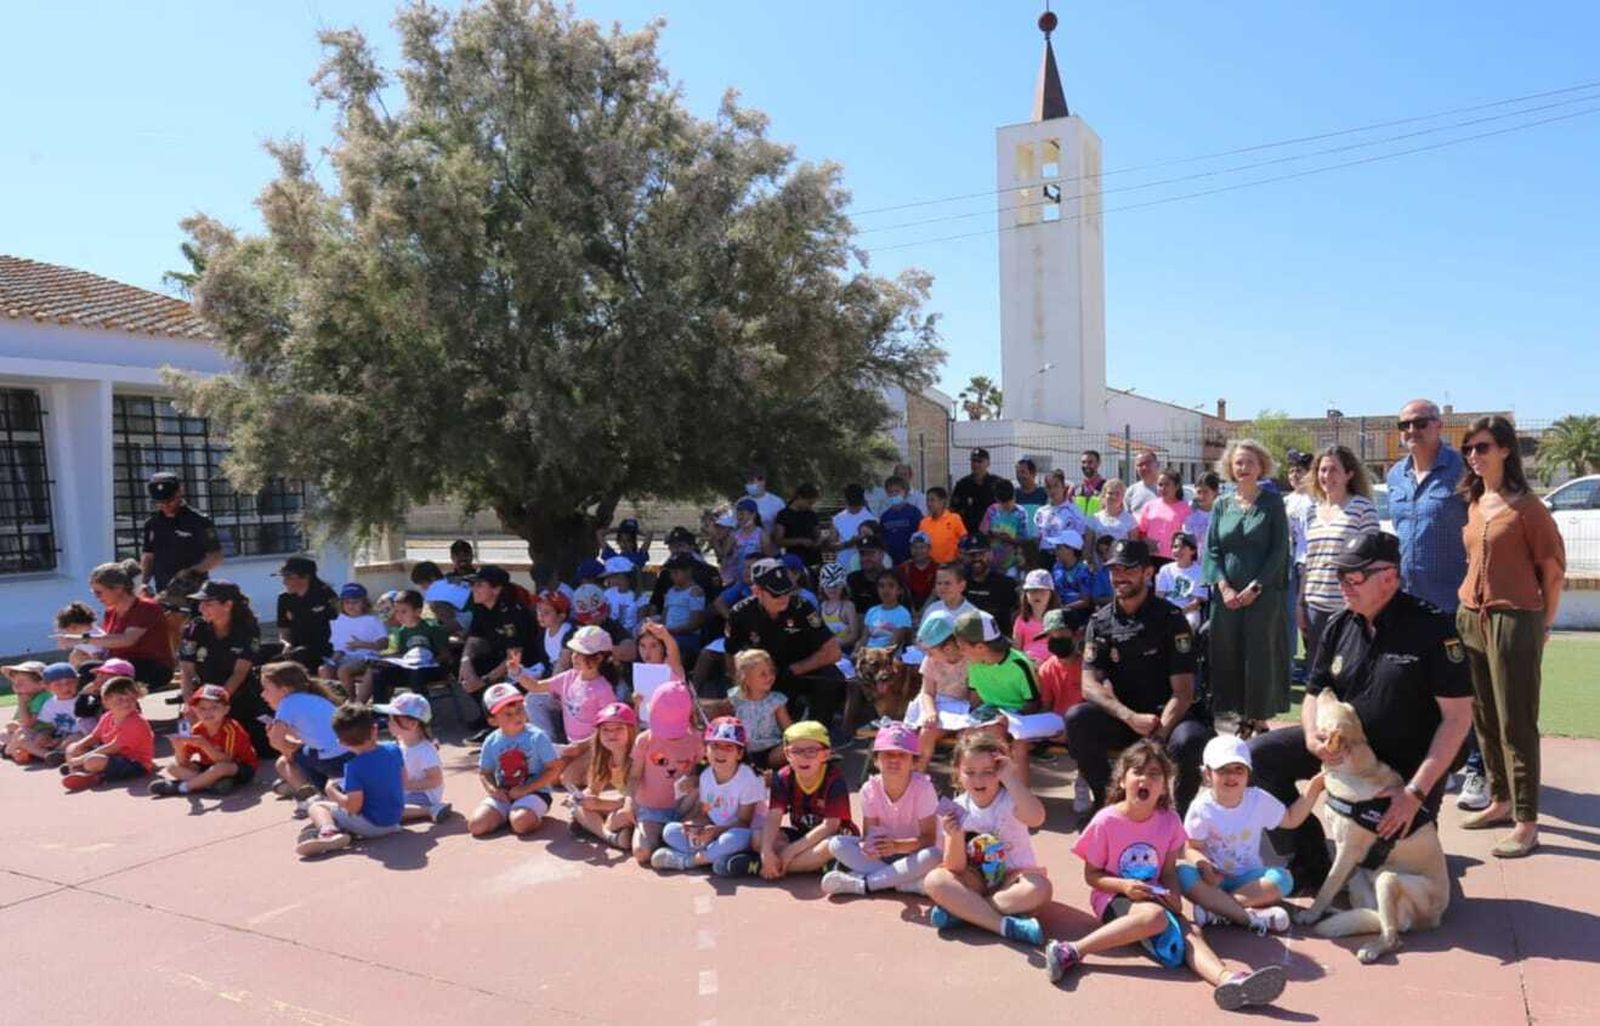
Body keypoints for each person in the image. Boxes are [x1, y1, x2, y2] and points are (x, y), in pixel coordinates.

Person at [1247, 531, 1475, 891]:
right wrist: (1311, 737)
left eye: (1353, 578)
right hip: (1344, 752)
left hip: (1404, 766)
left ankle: (1410, 836)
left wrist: (1414, 793)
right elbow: (1313, 693)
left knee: (1385, 860)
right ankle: (1310, 858)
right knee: (1258, 757)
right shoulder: (1340, 625)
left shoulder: (1432, 629)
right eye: (1340, 577)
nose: (1344, 586)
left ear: (1389, 577)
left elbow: (1458, 718)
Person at [1046, 742, 1288, 1011]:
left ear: (1164, 785)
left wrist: (1173, 893)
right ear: (1122, 779)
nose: (1145, 779)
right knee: (1154, 918)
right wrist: (1125, 886)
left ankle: (1228, 980)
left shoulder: (1169, 820)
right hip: (1113, 895)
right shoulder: (1106, 821)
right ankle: (1069, 950)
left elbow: (1169, 871)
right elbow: (1092, 876)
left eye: (1155, 774)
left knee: (1190, 932)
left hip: (1155, 894)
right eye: (1137, 771)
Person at [1454, 416, 1566, 858]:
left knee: (1516, 722)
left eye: (1482, 448)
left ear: (1504, 450)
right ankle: (1500, 801)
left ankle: (1527, 820)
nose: (1474, 457)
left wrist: (1545, 625)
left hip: (1514, 620)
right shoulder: (1476, 502)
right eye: (1469, 450)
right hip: (1471, 618)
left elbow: (1553, 573)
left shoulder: (1529, 509)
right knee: (1483, 716)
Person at [1387, 398, 1485, 809]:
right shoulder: (1395, 475)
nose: (1411, 430)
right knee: (1427, 690)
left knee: (1469, 688)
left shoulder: (1463, 470)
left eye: (1420, 422)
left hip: (1457, 601)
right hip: (1411, 603)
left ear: (1439, 425)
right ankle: (1442, 765)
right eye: (1404, 424)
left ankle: (1479, 769)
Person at [1067, 539, 1213, 814]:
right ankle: (1106, 803)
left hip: (1166, 719)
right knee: (1078, 719)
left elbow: (1183, 692)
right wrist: (1129, 717)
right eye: (1114, 570)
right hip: (1126, 718)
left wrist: (1157, 737)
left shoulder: (1171, 618)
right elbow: (1089, 685)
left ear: (1148, 573)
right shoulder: (1099, 622)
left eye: (1128, 569)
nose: (1119, 577)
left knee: (1191, 740)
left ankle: (1176, 817)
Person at [1179, 735, 1319, 932]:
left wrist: (1314, 788)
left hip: (1249, 879)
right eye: (1223, 770)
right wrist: (1203, 865)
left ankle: (1219, 910)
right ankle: (1248, 914)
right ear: (1207, 774)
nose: (1232, 776)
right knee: (1183, 874)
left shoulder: (1258, 800)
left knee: (1283, 879)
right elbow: (1191, 848)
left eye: (1239, 769)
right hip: (1213, 881)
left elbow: (1291, 819)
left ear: (1248, 773)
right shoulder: (1201, 808)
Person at [922, 732, 1050, 946]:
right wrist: (954, 836)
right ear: (957, 772)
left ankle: (965, 912)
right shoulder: (956, 808)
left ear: (1000, 771)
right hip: (976, 881)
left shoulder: (1010, 799)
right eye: (970, 772)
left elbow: (1037, 818)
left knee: (1041, 889)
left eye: (988, 772)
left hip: (1014, 879)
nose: (978, 780)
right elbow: (954, 867)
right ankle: (1005, 926)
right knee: (934, 881)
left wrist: (1010, 777)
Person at [1203, 440, 1290, 738]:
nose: (1244, 468)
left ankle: (1259, 718)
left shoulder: (1273, 502)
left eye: (1250, 462)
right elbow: (1212, 550)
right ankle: (1239, 716)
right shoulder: (1221, 505)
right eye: (1239, 462)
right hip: (1226, 598)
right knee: (1229, 652)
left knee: (1260, 654)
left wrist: (1257, 585)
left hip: (1263, 595)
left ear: (1261, 466)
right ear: (1230, 466)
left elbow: (1279, 550)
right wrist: (1224, 587)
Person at [724, 558, 846, 731]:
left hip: (801, 670)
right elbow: (731, 653)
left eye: (787, 591)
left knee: (831, 676)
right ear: (757, 591)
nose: (784, 598)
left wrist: (796, 668)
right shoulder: (740, 614)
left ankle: (819, 731)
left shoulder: (802, 607)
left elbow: (834, 652)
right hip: (765, 676)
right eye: (776, 593)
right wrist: (740, 685)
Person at [822, 722, 941, 897]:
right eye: (887, 754)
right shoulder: (869, 789)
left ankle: (864, 884)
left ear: (913, 762)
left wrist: (897, 846)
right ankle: (904, 883)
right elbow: (869, 834)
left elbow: (929, 839)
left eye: (902, 755)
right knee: (836, 844)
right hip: (884, 857)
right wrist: (869, 846)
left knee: (933, 855)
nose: (894, 759)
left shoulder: (924, 788)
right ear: (876, 760)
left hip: (914, 855)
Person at [1299, 446, 1379, 671]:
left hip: (1350, 607)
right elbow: (1308, 561)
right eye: (1322, 470)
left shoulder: (1363, 508)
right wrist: (1300, 603)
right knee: (1318, 676)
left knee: (1351, 674)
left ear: (1349, 474)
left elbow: (1371, 561)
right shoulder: (1312, 512)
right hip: (1315, 606)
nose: (1327, 476)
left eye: (1334, 470)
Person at [652, 716, 766, 874]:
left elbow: (744, 822)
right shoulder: (706, 776)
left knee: (733, 839)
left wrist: (716, 831)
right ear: (706, 750)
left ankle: (689, 861)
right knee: (670, 830)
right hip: (714, 834)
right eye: (715, 746)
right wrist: (696, 828)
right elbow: (709, 812)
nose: (720, 752)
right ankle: (714, 857)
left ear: (740, 754)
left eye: (728, 747)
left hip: (742, 833)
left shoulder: (750, 779)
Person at [295, 702, 407, 857]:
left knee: (317, 806)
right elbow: (404, 779)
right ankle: (342, 827)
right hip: (394, 820)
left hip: (372, 826)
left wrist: (331, 790)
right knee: (345, 806)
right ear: (374, 729)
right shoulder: (394, 749)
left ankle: (329, 833)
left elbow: (353, 807)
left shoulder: (354, 767)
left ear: (342, 743)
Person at [179, 580, 271, 757]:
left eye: (208, 604)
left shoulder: (247, 629)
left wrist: (218, 704)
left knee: (261, 748)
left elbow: (239, 673)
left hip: (238, 694)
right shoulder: (194, 629)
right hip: (203, 695)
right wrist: (191, 703)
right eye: (200, 603)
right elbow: (187, 671)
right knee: (190, 730)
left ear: (228, 605)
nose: (201, 608)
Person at [757, 720, 858, 879]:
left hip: (832, 836)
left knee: (832, 846)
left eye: (811, 751)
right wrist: (766, 850)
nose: (804, 757)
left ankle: (761, 866)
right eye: (796, 751)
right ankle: (810, 866)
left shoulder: (834, 778)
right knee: (757, 838)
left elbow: (830, 826)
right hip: (801, 835)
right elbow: (774, 815)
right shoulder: (783, 777)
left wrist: (791, 850)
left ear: (825, 754)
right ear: (787, 755)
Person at [140, 470, 223, 657]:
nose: (166, 506)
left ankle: (194, 664)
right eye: (160, 503)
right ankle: (177, 667)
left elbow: (215, 556)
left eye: (169, 501)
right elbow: (148, 556)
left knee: (192, 629)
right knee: (167, 628)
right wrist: (144, 582)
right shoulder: (152, 523)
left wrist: (191, 571)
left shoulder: (199, 521)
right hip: (163, 588)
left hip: (193, 588)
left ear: (180, 492)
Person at [470, 682, 564, 838]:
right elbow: (485, 772)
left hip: (536, 792)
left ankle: (525, 816)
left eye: (520, 710)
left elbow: (554, 769)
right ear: (492, 720)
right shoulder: (491, 741)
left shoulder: (537, 736)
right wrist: (494, 791)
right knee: (476, 825)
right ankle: (508, 815)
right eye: (508, 714)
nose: (517, 716)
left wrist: (526, 790)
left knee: (521, 823)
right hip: (505, 795)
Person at [628, 681, 703, 865]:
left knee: (702, 795)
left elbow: (703, 770)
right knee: (641, 853)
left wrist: (695, 779)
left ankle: (671, 843)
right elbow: (635, 775)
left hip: (684, 809)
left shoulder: (695, 738)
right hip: (651, 810)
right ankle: (665, 839)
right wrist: (629, 802)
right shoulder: (645, 739)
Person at [458, 566, 535, 739]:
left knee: (487, 678)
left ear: (496, 589)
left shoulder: (512, 612)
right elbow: (473, 639)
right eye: (473, 585)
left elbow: (514, 657)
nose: (473, 589)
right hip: (500, 658)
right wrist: (465, 662)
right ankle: (488, 716)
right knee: (463, 662)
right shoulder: (482, 607)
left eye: (479, 585)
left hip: (526, 665)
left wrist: (483, 680)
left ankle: (496, 723)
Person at [260, 661, 349, 808]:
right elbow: (314, 733)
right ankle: (321, 787)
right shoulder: (314, 698)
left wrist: (286, 748)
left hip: (333, 760)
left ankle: (313, 796)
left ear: (284, 690)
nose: (262, 694)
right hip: (348, 753)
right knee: (301, 752)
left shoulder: (287, 703)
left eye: (266, 689)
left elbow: (276, 742)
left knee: (286, 760)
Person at [149, 684, 258, 797]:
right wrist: (178, 747)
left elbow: (227, 760)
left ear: (226, 709)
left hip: (238, 767)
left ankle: (182, 787)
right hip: (209, 766)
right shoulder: (197, 729)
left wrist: (204, 745)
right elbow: (183, 762)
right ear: (195, 710)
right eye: (202, 708)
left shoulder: (231, 728)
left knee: (221, 768)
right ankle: (210, 783)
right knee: (172, 767)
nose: (208, 712)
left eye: (214, 707)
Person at [81, 561, 175, 692]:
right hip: (120, 664)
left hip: (152, 667)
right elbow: (107, 642)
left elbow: (126, 640)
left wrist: (83, 639)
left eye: (99, 592)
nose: (96, 597)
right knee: (86, 667)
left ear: (118, 588)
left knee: (96, 673)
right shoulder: (110, 612)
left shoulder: (146, 607)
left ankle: (122, 709)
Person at [60, 675, 155, 791]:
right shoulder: (107, 717)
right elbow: (94, 736)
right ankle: (77, 771)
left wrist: (79, 759)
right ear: (106, 702)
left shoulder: (136, 722)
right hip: (114, 757)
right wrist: (78, 747)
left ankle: (92, 775)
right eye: (120, 699)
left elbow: (113, 747)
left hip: (136, 764)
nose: (126, 703)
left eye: (131, 699)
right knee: (72, 747)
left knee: (92, 761)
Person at [568, 700, 637, 851]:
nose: (611, 734)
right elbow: (593, 789)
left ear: (631, 730)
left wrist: (600, 804)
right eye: (605, 729)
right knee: (577, 803)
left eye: (619, 728)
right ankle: (610, 836)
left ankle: (603, 830)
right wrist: (584, 797)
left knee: (622, 816)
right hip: (619, 804)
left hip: (637, 807)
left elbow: (636, 800)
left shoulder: (638, 758)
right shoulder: (605, 757)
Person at [373, 691, 451, 824]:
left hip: (423, 795)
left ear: (412, 724)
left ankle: (431, 809)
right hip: (406, 792)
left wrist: (406, 785)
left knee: (388, 811)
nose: (388, 723)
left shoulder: (425, 751)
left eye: (393, 719)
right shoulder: (400, 743)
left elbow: (435, 780)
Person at [906, 611, 969, 770]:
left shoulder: (970, 660)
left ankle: (963, 780)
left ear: (947, 648)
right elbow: (927, 692)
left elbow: (975, 693)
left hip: (964, 707)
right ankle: (919, 773)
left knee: (968, 738)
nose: (927, 655)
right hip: (937, 704)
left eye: (930, 651)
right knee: (927, 731)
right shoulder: (931, 662)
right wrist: (930, 712)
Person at [370, 590, 451, 705]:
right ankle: (380, 714)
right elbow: (403, 655)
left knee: (416, 673)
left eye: (403, 612)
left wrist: (428, 661)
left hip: (432, 670)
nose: (398, 616)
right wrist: (386, 660)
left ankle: (419, 711)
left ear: (417, 612)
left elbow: (445, 655)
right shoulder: (403, 631)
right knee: (380, 673)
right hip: (410, 669)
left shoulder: (432, 628)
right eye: (396, 611)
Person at [272, 556, 339, 672]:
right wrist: (286, 644)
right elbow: (284, 629)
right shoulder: (284, 598)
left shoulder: (326, 595)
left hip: (323, 648)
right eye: (283, 577)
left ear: (306, 577)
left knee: (299, 657)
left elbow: (339, 625)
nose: (284, 582)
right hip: (295, 647)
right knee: (265, 655)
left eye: (289, 577)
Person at [729, 649, 791, 769]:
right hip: (744, 752)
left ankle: (769, 770)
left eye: (771, 672)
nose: (769, 677)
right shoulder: (736, 697)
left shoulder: (776, 700)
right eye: (763, 674)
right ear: (745, 678)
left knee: (792, 748)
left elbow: (789, 730)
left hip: (771, 751)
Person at [326, 583, 388, 700]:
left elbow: (384, 644)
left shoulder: (372, 620)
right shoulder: (339, 621)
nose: (351, 606)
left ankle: (351, 701)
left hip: (367, 658)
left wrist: (362, 644)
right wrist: (333, 659)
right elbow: (339, 647)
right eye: (347, 602)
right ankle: (335, 701)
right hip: (345, 657)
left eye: (355, 602)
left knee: (344, 670)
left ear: (364, 603)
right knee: (324, 670)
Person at [1156, 533, 1209, 633]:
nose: (1177, 550)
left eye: (1182, 547)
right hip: (1166, 611)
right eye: (1175, 547)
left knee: (1189, 623)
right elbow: (1160, 597)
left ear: (1192, 550)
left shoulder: (1200, 571)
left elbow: (1196, 602)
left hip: (1189, 611)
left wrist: (1179, 613)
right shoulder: (1165, 569)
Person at [961, 534, 1018, 628]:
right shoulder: (957, 584)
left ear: (990, 554)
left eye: (981, 554)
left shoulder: (1007, 584)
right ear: (964, 556)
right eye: (971, 554)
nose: (976, 558)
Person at [1135, 470, 1193, 558]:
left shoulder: (1185, 509)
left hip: (1173, 559)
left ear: (1177, 486)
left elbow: (1188, 537)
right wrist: (1146, 541)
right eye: (1160, 485)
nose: (1163, 488)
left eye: (1167, 484)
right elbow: (1141, 532)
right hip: (1151, 557)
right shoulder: (1149, 506)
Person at [1035, 470, 1091, 559]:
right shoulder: (1040, 512)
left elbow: (1084, 536)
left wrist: (1084, 558)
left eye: (1056, 485)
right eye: (1049, 487)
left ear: (1063, 487)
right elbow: (1037, 538)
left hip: (1066, 559)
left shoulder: (1074, 511)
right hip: (1044, 558)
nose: (1052, 490)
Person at [772, 483, 824, 572]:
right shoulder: (783, 515)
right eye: (809, 503)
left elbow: (818, 534)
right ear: (799, 497)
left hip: (814, 559)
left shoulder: (811, 514)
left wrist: (819, 541)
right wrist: (799, 541)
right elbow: (778, 540)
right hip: (794, 559)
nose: (810, 506)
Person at [950, 448, 1003, 535]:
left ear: (988, 463)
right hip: (968, 533)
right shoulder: (962, 485)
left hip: (992, 535)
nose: (975, 464)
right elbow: (953, 510)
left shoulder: (997, 484)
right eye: (973, 461)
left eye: (979, 461)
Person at [860, 572, 914, 655]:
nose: (885, 590)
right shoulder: (872, 611)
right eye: (881, 586)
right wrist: (855, 652)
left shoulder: (902, 614)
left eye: (891, 586)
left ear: (899, 590)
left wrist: (872, 657)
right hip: (866, 655)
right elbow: (864, 638)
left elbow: (893, 645)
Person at [1014, 569, 1059, 665]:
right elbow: (1016, 649)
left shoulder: (1059, 619)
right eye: (1033, 591)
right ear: (1026, 595)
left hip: (1052, 667)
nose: (1037, 595)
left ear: (1051, 594)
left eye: (1042, 591)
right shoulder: (1021, 620)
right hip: (1027, 665)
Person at [876, 475, 924, 564]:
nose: (894, 494)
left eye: (897, 491)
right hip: (891, 562)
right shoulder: (885, 516)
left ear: (905, 493)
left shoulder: (914, 513)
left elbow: (920, 537)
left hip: (910, 561)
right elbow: (882, 539)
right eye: (890, 492)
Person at [831, 484, 876, 575]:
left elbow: (876, 545)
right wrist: (848, 543)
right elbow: (831, 546)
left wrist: (862, 541)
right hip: (842, 567)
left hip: (864, 568)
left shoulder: (872, 519)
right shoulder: (837, 519)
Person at [919, 562, 977, 628]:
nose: (942, 587)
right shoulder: (932, 610)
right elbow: (922, 637)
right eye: (939, 583)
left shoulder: (972, 614)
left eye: (947, 583)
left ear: (962, 586)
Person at [918, 486, 967, 565]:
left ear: (942, 501)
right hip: (931, 565)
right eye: (927, 500)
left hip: (951, 564)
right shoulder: (923, 522)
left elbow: (964, 539)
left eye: (932, 500)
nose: (929, 504)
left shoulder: (954, 518)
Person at [845, 540, 890, 619]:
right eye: (862, 554)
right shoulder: (852, 579)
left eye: (871, 554)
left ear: (882, 555)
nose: (866, 558)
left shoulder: (893, 580)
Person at [895, 531, 938, 613]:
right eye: (915, 547)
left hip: (932, 611)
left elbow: (936, 593)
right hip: (907, 612)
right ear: (910, 549)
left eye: (922, 547)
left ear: (929, 548)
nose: (918, 551)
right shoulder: (902, 569)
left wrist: (922, 612)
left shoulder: (938, 569)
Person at [1184, 472, 1220, 564]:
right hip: (1194, 564)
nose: (1202, 496)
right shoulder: (1189, 512)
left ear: (1215, 492)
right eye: (1199, 492)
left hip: (1215, 564)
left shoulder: (1221, 513)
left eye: (1206, 492)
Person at [601, 556, 643, 633]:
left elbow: (640, 620)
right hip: (612, 632)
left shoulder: (638, 596)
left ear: (622, 576)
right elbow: (606, 615)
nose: (609, 580)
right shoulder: (608, 594)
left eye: (612, 576)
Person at [740, 466, 787, 531]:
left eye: (751, 481)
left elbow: (783, 526)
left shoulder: (777, 502)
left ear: (762, 481)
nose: (748, 484)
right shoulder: (741, 501)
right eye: (747, 481)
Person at [1091, 479, 1136, 543]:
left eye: (1117, 494)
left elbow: (1134, 548)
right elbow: (1087, 549)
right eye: (1110, 493)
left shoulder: (1130, 520)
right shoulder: (1094, 519)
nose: (1113, 497)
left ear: (1123, 496)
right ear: (1104, 495)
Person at [1014, 457, 1049, 529]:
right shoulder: (1014, 494)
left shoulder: (1043, 493)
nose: (1019, 476)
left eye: (1023, 472)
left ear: (1033, 473)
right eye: (1017, 473)